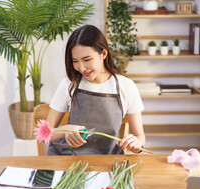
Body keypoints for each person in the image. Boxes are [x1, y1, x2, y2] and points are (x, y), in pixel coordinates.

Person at [47, 24, 145, 155]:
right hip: (68, 161)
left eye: (87, 59)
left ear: (103, 53)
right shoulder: (69, 85)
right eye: (75, 61)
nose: (81, 68)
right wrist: (65, 129)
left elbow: (139, 136)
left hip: (106, 163)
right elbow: (44, 135)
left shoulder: (126, 86)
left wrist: (136, 143)